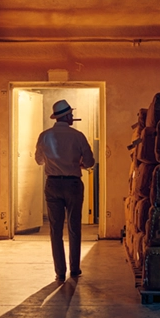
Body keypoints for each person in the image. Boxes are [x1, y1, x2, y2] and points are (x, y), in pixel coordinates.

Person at [35, 99, 95, 282]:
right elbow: (90, 161)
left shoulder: (44, 136)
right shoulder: (78, 136)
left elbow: (39, 160)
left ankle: (60, 271)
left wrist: (54, 161)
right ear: (68, 116)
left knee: (55, 229)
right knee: (74, 227)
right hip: (73, 184)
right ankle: (75, 269)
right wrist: (79, 163)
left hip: (52, 184)